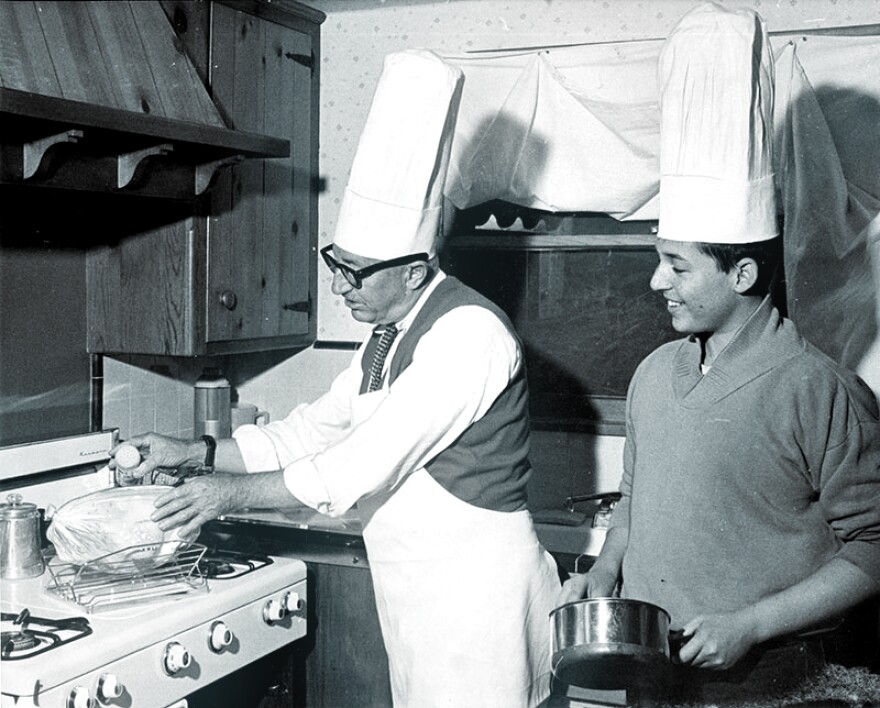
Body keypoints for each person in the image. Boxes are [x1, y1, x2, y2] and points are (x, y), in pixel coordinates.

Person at [114, 49, 560, 708]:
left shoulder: (469, 336)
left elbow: (352, 467)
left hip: (476, 608)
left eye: (357, 273)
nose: (338, 285)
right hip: (419, 598)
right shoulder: (390, 334)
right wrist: (196, 452)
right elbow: (311, 432)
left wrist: (222, 496)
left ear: (414, 271)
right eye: (337, 263)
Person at [559, 4, 880, 704]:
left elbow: (872, 549)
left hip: (767, 679)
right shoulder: (652, 375)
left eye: (676, 266)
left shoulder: (818, 390)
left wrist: (752, 624)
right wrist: (605, 573)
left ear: (741, 275)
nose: (655, 283)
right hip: (654, 669)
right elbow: (636, 500)